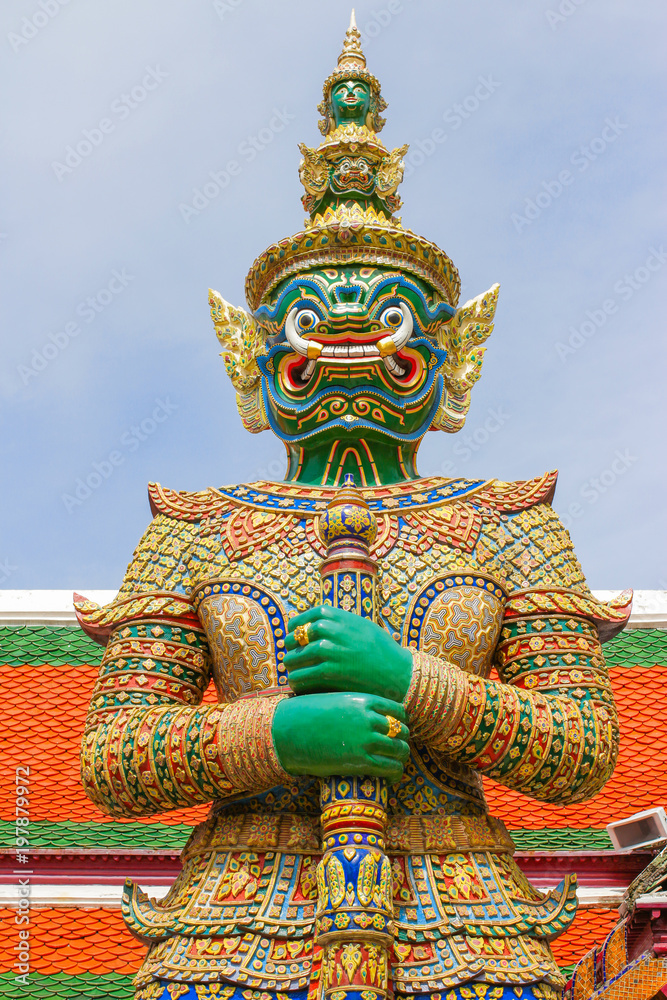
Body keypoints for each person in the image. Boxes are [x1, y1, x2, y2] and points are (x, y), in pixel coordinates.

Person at [78, 14, 631, 1000]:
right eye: (303, 319)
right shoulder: (195, 527)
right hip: (234, 920)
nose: (341, 335)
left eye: (384, 317)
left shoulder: (507, 522)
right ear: (250, 363)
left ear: (452, 360)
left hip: (461, 912)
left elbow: (580, 750)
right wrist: (277, 736)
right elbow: (115, 757)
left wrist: (413, 680)